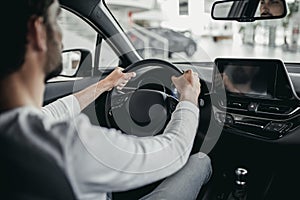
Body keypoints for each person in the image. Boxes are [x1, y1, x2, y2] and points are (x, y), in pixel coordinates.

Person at [0, 0, 212, 199]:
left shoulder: (13, 128)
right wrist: (189, 97)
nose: (61, 35)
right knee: (200, 162)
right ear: (38, 31)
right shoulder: (69, 147)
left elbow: (49, 114)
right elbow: (174, 151)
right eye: (56, 20)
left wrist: (104, 85)